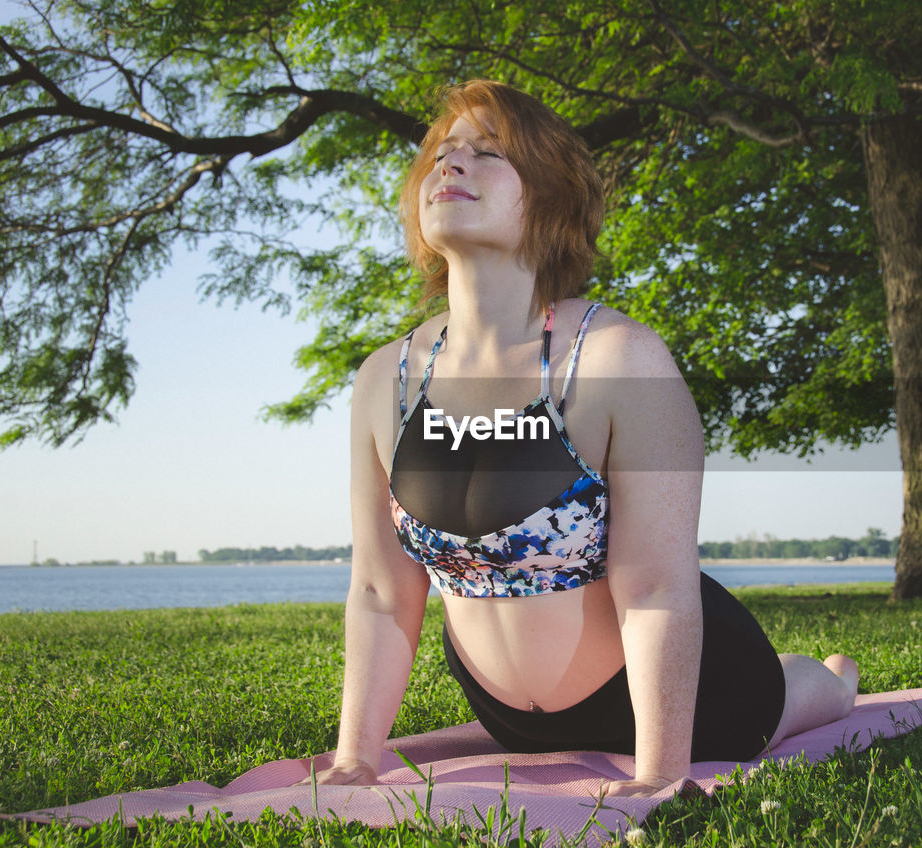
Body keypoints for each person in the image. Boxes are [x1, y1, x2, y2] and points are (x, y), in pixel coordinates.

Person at [312, 80, 858, 798]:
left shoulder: (617, 359)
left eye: (488, 153)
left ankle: (828, 681)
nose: (451, 165)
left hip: (703, 702)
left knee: (795, 699)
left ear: (548, 196)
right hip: (513, 720)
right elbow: (383, 591)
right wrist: (355, 757)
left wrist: (662, 771)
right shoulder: (385, 379)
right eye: (443, 154)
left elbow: (660, 585)